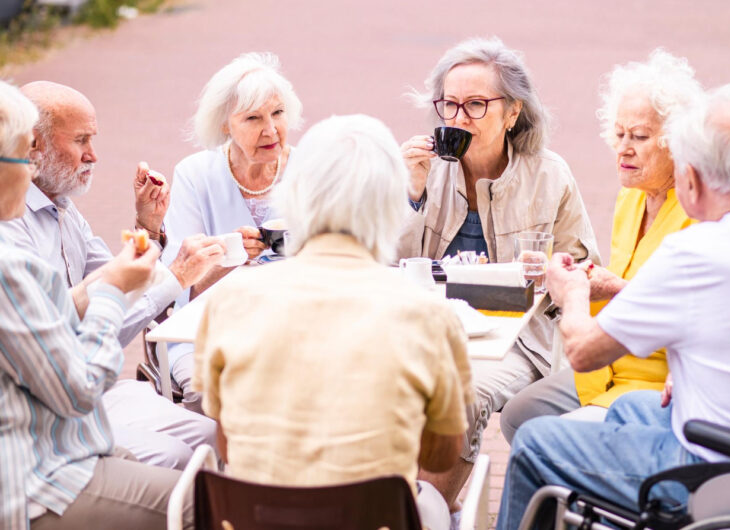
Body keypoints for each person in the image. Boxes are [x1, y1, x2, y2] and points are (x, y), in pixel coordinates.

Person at [496, 84, 730, 529]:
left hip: (728, 476)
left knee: (536, 441)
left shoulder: (695, 251)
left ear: (691, 179)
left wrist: (571, 293)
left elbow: (583, 351)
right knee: (627, 409)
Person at [193, 114, 473, 530]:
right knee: (436, 504)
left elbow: (227, 442)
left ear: (297, 198)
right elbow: (439, 457)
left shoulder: (229, 301)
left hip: (258, 518)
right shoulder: (428, 314)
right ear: (387, 203)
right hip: (375, 518)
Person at [398, 36, 600, 516]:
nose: (458, 118)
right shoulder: (424, 169)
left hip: (517, 338)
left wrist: (553, 274)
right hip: (425, 328)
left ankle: (426, 514)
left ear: (512, 113)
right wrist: (412, 191)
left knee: (460, 393)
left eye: (475, 105)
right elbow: (390, 265)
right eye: (448, 104)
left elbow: (584, 268)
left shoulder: (549, 176)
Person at [0, 79, 194, 530]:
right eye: (24, 156)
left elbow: (92, 292)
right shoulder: (10, 257)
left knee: (193, 451)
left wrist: (143, 237)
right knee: (199, 500)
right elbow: (79, 390)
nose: (30, 171)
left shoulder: (62, 210)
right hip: (34, 470)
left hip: (61, 438)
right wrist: (110, 291)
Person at [500, 50, 702, 442]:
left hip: (653, 381)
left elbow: (687, 317)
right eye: (619, 134)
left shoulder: (696, 211)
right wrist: (589, 278)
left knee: (540, 439)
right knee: (518, 414)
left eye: (640, 137)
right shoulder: (632, 197)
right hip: (606, 367)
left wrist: (595, 290)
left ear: (677, 142)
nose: (623, 148)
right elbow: (627, 285)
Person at [161, 51, 303, 412]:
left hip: (295, 328)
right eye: (253, 118)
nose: (271, 130)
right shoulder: (196, 174)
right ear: (225, 124)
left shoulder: (308, 170)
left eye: (278, 113)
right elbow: (181, 285)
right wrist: (232, 257)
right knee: (218, 396)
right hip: (206, 331)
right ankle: (217, 469)